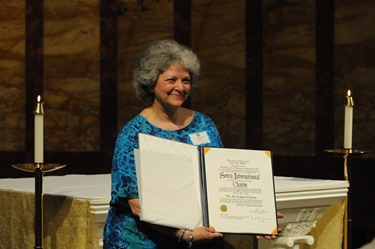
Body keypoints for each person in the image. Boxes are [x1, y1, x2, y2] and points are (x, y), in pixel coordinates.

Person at [103, 39, 282, 249]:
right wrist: (184, 235)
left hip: (199, 235)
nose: (180, 87)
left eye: (186, 80)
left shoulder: (204, 124)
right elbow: (137, 205)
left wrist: (257, 219)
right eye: (171, 80)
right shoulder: (133, 133)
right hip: (144, 241)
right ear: (151, 83)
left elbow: (221, 181)